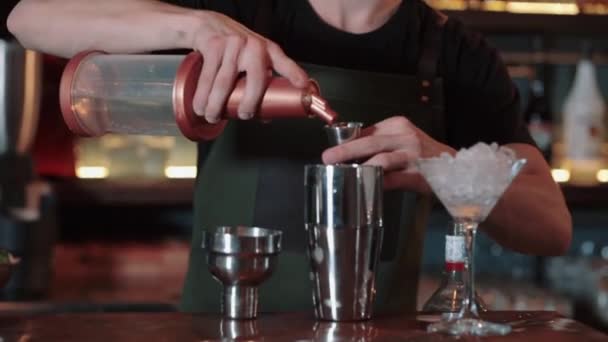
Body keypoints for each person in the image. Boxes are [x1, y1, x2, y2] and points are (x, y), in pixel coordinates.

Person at [7, 0, 572, 313]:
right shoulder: (235, 14)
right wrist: (195, 25)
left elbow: (551, 226)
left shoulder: (460, 57)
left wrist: (443, 167)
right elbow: (23, 16)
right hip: (218, 329)